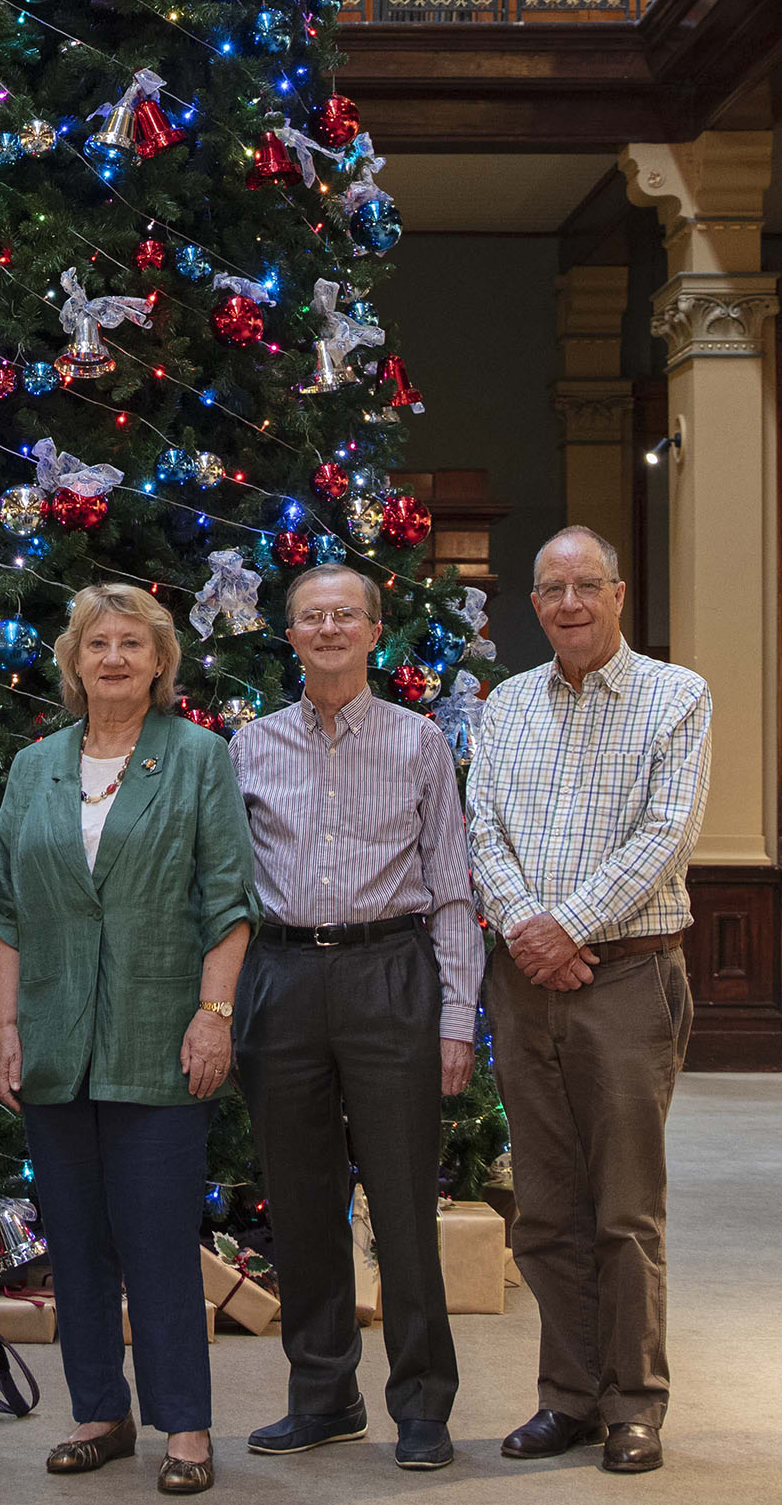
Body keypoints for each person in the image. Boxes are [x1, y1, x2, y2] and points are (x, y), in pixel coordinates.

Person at [0, 582, 255, 1498]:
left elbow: (228, 903)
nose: (112, 659)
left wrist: (213, 1017)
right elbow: (7, 912)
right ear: (73, 661)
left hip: (159, 1035)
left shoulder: (197, 758)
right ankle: (99, 1412)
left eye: (131, 646)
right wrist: (4, 1029)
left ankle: (185, 1425)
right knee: (76, 1240)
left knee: (156, 1241)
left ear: (158, 662)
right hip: (56, 1038)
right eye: (96, 644)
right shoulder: (35, 768)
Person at [465, 529, 712, 1480]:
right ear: (534, 605)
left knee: (624, 1211)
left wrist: (564, 927)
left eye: (585, 586)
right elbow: (480, 823)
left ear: (617, 593)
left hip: (628, 978)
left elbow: (667, 832)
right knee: (544, 1207)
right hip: (524, 981)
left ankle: (634, 1403)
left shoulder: (674, 696)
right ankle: (564, 1398)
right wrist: (529, 928)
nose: (568, 603)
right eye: (550, 589)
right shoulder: (508, 704)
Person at [228, 562, 482, 1474]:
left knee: (406, 1202)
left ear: (375, 633)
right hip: (282, 977)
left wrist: (457, 1019)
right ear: (288, 636)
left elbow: (451, 893)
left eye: (344, 615)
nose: (327, 629)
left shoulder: (419, 744)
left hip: (389, 974)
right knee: (298, 1204)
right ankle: (322, 1398)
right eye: (309, 617)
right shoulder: (249, 746)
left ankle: (421, 1405)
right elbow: (223, 891)